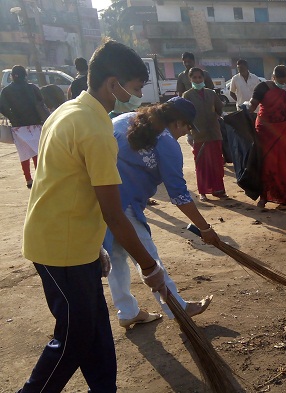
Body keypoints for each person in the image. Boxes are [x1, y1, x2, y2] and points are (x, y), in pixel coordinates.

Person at [19, 40, 166, 393]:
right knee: (74, 338)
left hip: (74, 244)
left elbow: (62, 185)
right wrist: (150, 267)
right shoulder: (96, 129)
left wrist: (93, 247)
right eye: (134, 88)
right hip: (60, 249)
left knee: (96, 330)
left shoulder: (68, 110)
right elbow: (114, 214)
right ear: (112, 83)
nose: (137, 96)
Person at [107, 97, 218, 328]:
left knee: (116, 256)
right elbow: (179, 194)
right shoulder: (166, 141)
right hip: (122, 202)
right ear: (178, 122)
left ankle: (127, 311)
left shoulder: (128, 118)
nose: (186, 132)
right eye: (187, 127)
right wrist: (205, 228)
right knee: (147, 255)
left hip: (100, 198)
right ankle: (177, 306)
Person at [249, 65, 286, 208]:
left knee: (284, 164)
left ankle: (285, 196)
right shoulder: (263, 88)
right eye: (280, 80)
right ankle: (264, 196)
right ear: (273, 78)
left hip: (283, 132)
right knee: (266, 164)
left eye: (285, 80)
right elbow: (252, 106)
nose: (283, 83)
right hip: (265, 132)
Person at [0, 65, 50, 189]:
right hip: (35, 124)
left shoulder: (6, 91)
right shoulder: (32, 88)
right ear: (25, 75)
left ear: (12, 76)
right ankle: (40, 177)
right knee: (36, 152)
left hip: (18, 127)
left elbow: (2, 107)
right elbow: (41, 103)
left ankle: (28, 179)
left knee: (24, 154)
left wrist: (12, 116)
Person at [183, 67, 226, 201]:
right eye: (195, 78)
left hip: (214, 132)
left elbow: (219, 109)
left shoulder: (211, 93)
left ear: (204, 79)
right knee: (201, 164)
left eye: (200, 77)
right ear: (190, 79)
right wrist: (189, 133)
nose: (197, 80)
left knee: (217, 163)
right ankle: (203, 191)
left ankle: (219, 190)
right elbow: (185, 116)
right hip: (198, 134)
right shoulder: (187, 95)